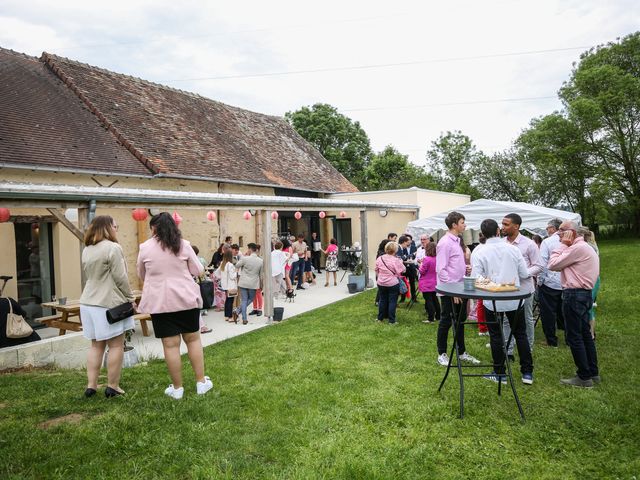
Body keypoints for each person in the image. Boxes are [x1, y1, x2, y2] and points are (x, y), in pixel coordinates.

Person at [137, 212, 213, 400]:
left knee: (170, 345)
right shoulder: (184, 245)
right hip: (185, 297)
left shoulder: (145, 247)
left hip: (160, 300)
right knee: (193, 340)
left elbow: (141, 273)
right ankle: (201, 382)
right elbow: (198, 270)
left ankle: (177, 388)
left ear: (153, 228)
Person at [471, 219, 534, 385]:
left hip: (492, 300)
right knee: (520, 334)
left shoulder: (479, 251)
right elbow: (524, 273)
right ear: (498, 231)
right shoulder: (512, 249)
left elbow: (475, 279)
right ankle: (527, 372)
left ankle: (500, 373)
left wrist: (495, 287)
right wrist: (504, 285)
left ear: (483, 234)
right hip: (513, 298)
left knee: (496, 335)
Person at [79, 215, 135, 398]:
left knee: (96, 346)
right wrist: (130, 297)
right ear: (108, 228)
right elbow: (121, 277)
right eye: (115, 226)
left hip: (87, 301)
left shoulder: (87, 249)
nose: (116, 229)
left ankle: (91, 386)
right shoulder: (113, 248)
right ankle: (113, 386)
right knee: (116, 345)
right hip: (107, 303)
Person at [548, 220, 600, 388]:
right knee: (585, 334)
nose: (558, 234)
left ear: (571, 232)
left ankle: (584, 377)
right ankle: (592, 372)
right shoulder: (585, 247)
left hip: (574, 294)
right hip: (583, 295)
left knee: (574, 336)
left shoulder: (576, 248)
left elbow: (553, 264)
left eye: (562, 231)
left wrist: (563, 244)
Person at [435, 211, 480, 366]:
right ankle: (441, 354)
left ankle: (461, 352)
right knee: (446, 321)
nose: (465, 225)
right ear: (454, 225)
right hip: (450, 290)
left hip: (460, 288)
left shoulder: (457, 240)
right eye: (462, 222)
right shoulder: (445, 242)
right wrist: (451, 290)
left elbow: (453, 264)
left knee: (460, 321)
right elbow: (441, 269)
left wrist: (465, 269)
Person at [501, 213, 543, 354]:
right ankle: (509, 350)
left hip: (524, 288)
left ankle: (528, 348)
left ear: (516, 226)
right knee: (507, 319)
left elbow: (539, 265)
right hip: (507, 288)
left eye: (506, 224)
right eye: (502, 224)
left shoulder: (529, 244)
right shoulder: (501, 243)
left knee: (526, 318)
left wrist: (524, 273)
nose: (503, 227)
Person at [538, 218, 565, 347]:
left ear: (553, 229)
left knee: (548, 313)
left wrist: (540, 281)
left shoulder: (547, 242)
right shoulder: (569, 241)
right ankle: (570, 339)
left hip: (550, 282)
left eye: (548, 227)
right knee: (566, 311)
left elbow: (542, 264)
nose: (546, 230)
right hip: (567, 282)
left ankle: (551, 340)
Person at [375, 241, 405, 324]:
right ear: (395, 250)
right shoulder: (396, 260)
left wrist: (380, 276)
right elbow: (402, 270)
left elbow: (376, 270)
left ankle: (380, 318)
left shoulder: (380, 258)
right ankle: (391, 320)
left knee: (382, 300)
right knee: (392, 301)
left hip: (381, 282)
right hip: (392, 283)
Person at [235, 243, 264, 325]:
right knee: (250, 299)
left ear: (250, 249)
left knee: (244, 300)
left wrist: (243, 257)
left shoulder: (245, 259)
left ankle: (243, 317)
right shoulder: (261, 261)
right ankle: (239, 313)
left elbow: (237, 265)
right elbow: (261, 275)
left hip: (243, 282)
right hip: (253, 283)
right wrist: (261, 285)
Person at [191, 245, 213, 334]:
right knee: (195, 306)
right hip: (193, 284)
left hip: (191, 284)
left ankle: (201, 326)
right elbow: (201, 272)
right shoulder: (195, 260)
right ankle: (202, 326)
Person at [418, 242, 440, 323]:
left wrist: (420, 265)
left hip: (426, 283)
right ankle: (438, 316)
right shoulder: (438, 258)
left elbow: (422, 271)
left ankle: (431, 318)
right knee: (435, 299)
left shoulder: (427, 259)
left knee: (429, 300)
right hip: (435, 282)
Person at [216, 250, 238, 322]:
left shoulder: (222, 263)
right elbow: (232, 276)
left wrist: (222, 278)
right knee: (230, 302)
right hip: (230, 285)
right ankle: (230, 317)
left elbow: (216, 273)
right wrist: (236, 272)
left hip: (224, 285)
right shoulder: (230, 265)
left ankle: (226, 316)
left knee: (227, 300)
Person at [397, 235, 418, 303]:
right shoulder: (399, 248)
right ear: (404, 242)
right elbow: (401, 258)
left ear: (411, 241)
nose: (408, 242)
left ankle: (414, 298)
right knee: (403, 283)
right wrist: (409, 257)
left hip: (412, 268)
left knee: (412, 283)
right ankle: (402, 298)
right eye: (407, 240)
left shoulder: (414, 247)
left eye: (409, 240)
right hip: (404, 268)